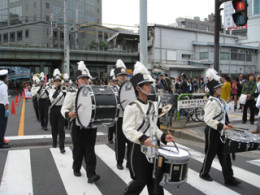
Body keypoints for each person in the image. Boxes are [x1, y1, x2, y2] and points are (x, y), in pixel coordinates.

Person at [123, 62, 174, 195]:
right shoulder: (132, 107)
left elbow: (154, 128)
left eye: (149, 84)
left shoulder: (153, 105)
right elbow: (127, 130)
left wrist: (163, 137)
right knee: (140, 181)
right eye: (146, 85)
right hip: (138, 151)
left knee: (155, 182)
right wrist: (143, 138)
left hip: (153, 149)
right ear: (138, 88)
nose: (149, 87)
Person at [199, 68, 241, 186]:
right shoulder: (211, 102)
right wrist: (221, 125)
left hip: (220, 131)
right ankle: (203, 173)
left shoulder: (219, 100)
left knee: (225, 155)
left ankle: (229, 178)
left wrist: (227, 123)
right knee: (210, 154)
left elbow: (221, 115)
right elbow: (207, 119)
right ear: (214, 90)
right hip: (212, 132)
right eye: (219, 88)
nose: (221, 89)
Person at [61, 61, 100, 183]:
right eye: (83, 78)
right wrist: (69, 114)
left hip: (91, 126)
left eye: (87, 78)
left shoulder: (93, 93)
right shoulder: (72, 94)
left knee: (90, 150)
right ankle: (76, 167)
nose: (86, 80)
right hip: (77, 126)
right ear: (77, 80)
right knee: (78, 149)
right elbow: (64, 109)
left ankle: (91, 174)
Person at [114, 59, 129, 170]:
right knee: (120, 141)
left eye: (124, 75)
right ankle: (119, 161)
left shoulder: (130, 88)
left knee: (131, 140)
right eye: (121, 75)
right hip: (120, 117)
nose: (123, 77)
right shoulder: (113, 88)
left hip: (130, 117)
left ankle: (129, 161)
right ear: (117, 77)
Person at [49, 69, 66, 153]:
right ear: (54, 81)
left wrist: (63, 91)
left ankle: (62, 146)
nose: (57, 82)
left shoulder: (64, 89)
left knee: (61, 129)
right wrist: (57, 89)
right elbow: (52, 98)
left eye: (59, 81)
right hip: (53, 110)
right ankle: (54, 142)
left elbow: (67, 99)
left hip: (61, 109)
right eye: (56, 81)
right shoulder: (51, 89)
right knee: (54, 128)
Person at [0, 69, 10, 149]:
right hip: (2, 107)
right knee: (2, 125)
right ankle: (1, 143)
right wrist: (6, 110)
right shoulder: (3, 86)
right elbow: (5, 99)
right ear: (5, 78)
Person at [107, 69, 117, 144]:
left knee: (117, 124)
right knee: (111, 124)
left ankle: (117, 136)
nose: (114, 83)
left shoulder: (117, 88)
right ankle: (110, 137)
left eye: (114, 81)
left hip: (117, 107)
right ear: (109, 82)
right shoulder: (107, 88)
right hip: (111, 107)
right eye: (113, 81)